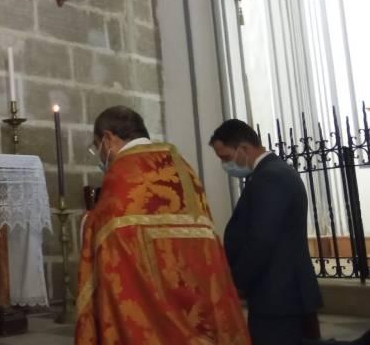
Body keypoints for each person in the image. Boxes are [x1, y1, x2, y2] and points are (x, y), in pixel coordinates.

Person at [75, 106, 249, 345]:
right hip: (196, 289)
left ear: (108, 138)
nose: (100, 154)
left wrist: (86, 220)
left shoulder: (122, 171)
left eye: (98, 146)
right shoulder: (181, 166)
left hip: (147, 297)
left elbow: (105, 235)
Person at [210, 119, 323, 345]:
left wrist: (237, 282)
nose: (225, 165)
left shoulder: (271, 176)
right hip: (278, 292)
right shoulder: (269, 173)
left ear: (244, 148)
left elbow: (261, 239)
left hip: (278, 294)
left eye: (225, 157)